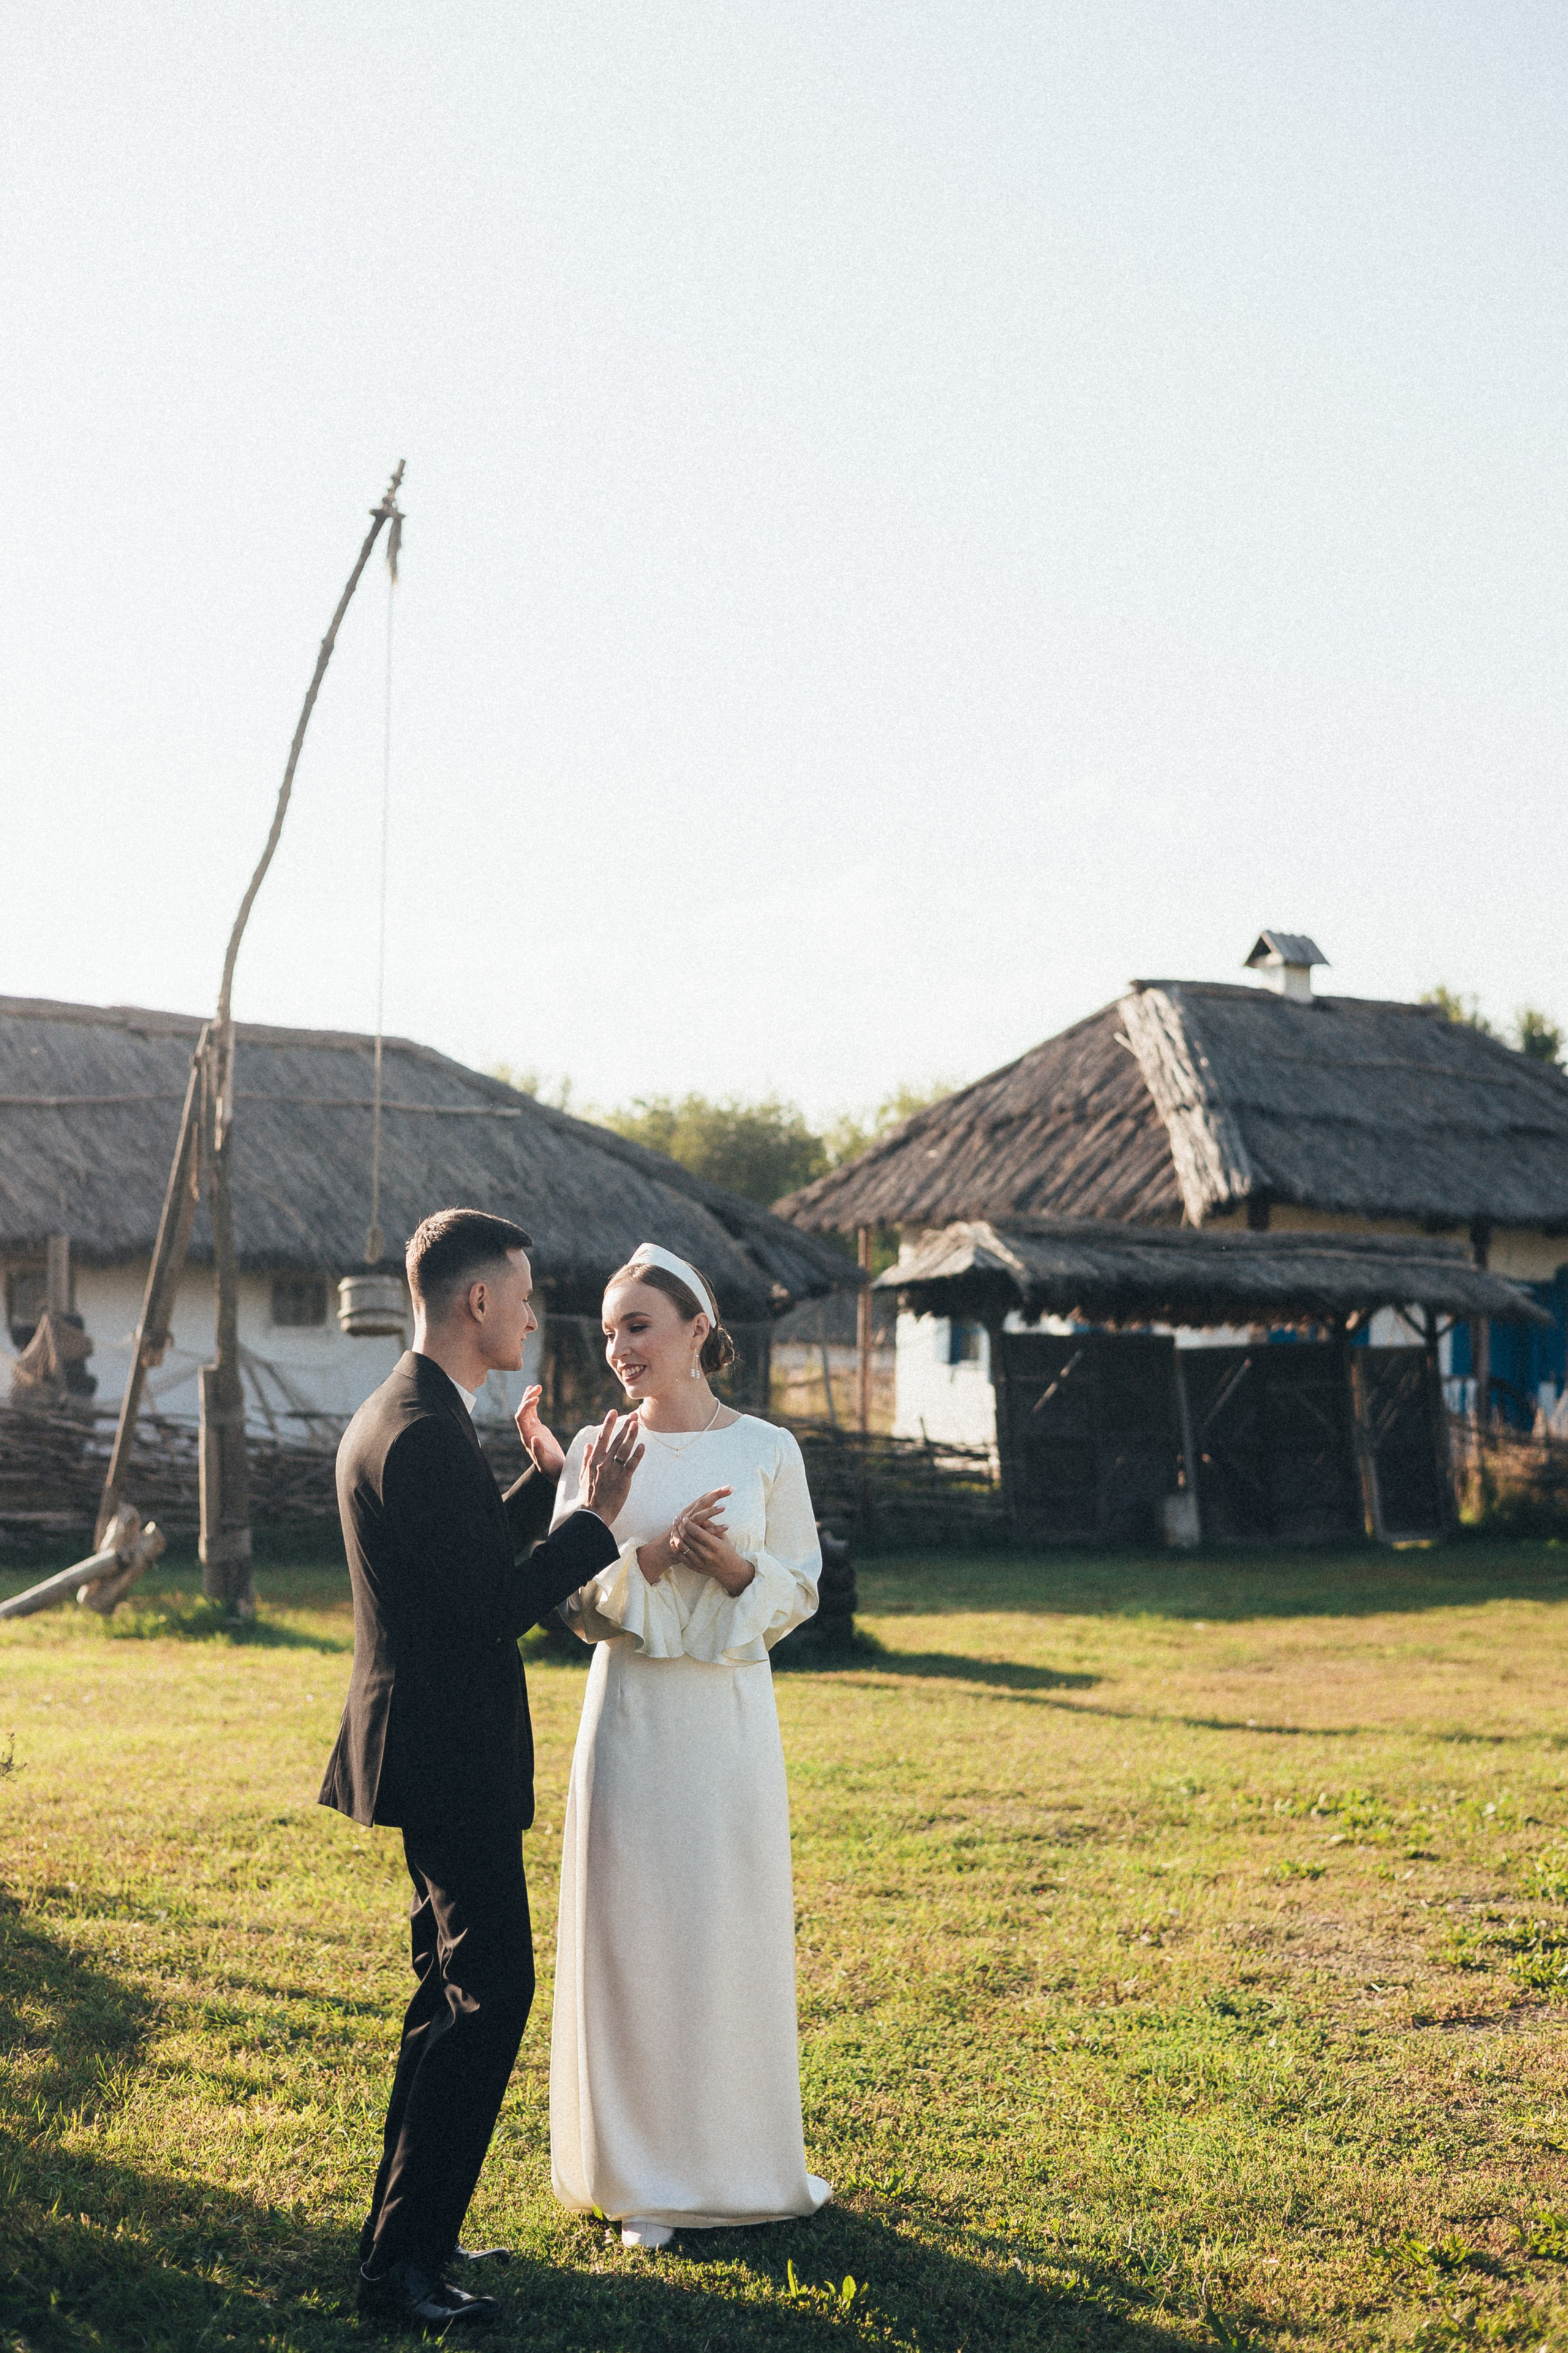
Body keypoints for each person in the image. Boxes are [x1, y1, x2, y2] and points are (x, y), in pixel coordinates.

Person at [319, 1206, 643, 2333]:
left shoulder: (413, 1413)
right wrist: (592, 1518)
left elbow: (451, 1556)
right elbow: (486, 1610)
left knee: (444, 1993)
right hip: (445, 1751)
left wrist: (541, 1490)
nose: (529, 1311)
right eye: (520, 1291)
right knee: (486, 1992)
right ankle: (399, 2269)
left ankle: (414, 2231)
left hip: (427, 1745)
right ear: (475, 1303)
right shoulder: (416, 1428)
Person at [544, 1243, 832, 2249]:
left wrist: (743, 1569)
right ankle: (641, 2173)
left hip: (729, 1721)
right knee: (635, 1935)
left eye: (639, 1325)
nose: (619, 1347)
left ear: (699, 1330)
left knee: (723, 1928)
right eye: (611, 1329)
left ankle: (738, 2157)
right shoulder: (592, 1448)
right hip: (629, 1716)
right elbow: (570, 1597)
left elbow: (803, 1581)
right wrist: (653, 1558)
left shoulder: (767, 1448)